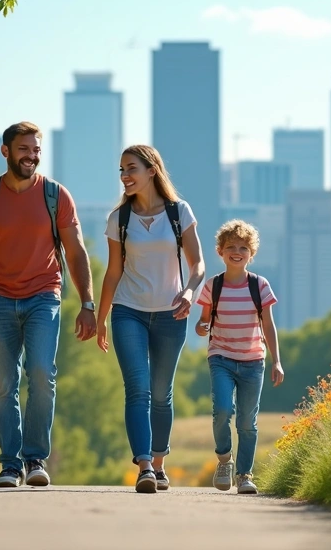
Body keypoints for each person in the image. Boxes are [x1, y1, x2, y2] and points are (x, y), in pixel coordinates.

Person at [0, 122, 97, 488]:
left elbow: (76, 250)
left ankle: (35, 458)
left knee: (40, 374)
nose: (31, 156)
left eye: (36, 149)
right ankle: (10, 464)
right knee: (4, 384)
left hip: (44, 296)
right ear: (6, 151)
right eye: (24, 149)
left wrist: (88, 303)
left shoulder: (56, 195)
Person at [87, 145, 205, 494]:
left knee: (160, 393)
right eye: (121, 170)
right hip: (129, 311)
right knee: (137, 389)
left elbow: (197, 264)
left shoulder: (179, 212)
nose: (124, 176)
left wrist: (188, 292)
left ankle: (159, 461)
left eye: (131, 168)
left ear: (152, 170)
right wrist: (102, 317)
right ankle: (144, 467)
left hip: (172, 313)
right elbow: (113, 273)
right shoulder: (118, 219)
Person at [195, 219, 283, 495]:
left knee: (247, 422)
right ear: (220, 251)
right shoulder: (213, 286)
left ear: (251, 253)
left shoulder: (260, 285)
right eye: (231, 246)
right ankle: (225, 460)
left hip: (253, 361)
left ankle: (244, 475)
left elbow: (268, 325)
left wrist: (276, 360)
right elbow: (203, 321)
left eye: (243, 247)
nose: (237, 251)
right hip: (220, 357)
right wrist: (201, 327)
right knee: (222, 410)